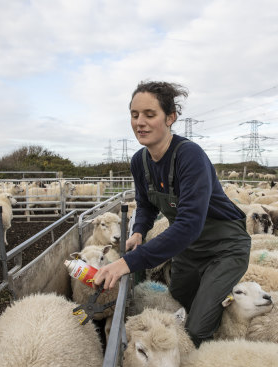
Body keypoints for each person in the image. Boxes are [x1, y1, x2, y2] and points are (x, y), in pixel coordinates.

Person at [93, 81, 251, 347]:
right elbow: (145, 204)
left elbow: (189, 224)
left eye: (149, 115)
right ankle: (214, 312)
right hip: (189, 248)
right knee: (179, 298)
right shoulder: (139, 161)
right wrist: (139, 230)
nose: (140, 122)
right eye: (134, 115)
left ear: (170, 118)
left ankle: (212, 350)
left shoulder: (190, 156)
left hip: (224, 246)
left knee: (196, 326)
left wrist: (126, 264)